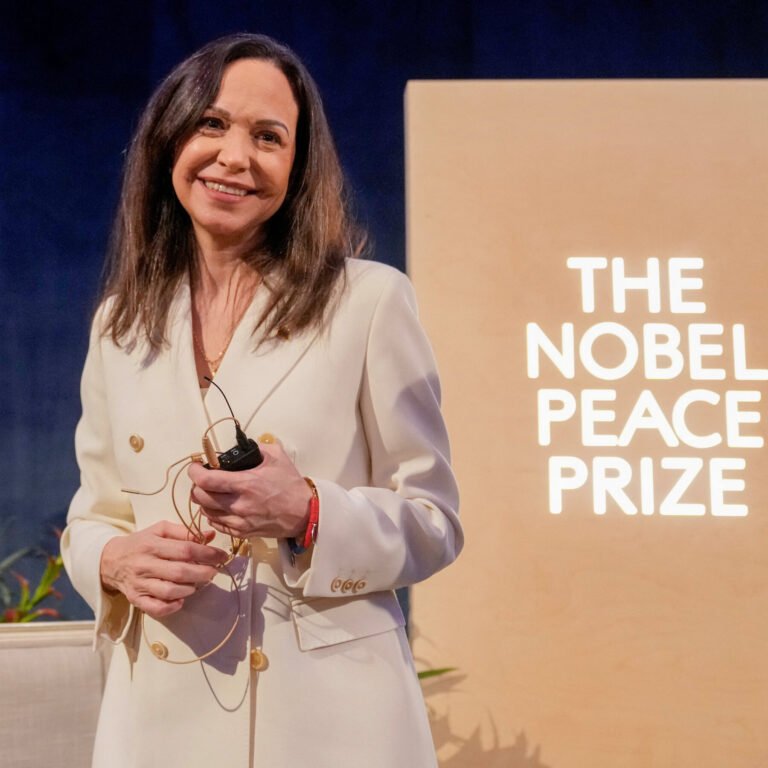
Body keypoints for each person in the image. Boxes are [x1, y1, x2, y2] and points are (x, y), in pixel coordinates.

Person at [62, 32, 462, 768]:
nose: (234, 157)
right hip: (161, 720)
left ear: (298, 166)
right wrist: (115, 561)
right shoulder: (120, 324)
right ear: (169, 139)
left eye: (268, 137)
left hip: (332, 724)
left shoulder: (369, 301)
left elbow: (434, 520)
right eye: (211, 124)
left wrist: (308, 512)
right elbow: (94, 515)